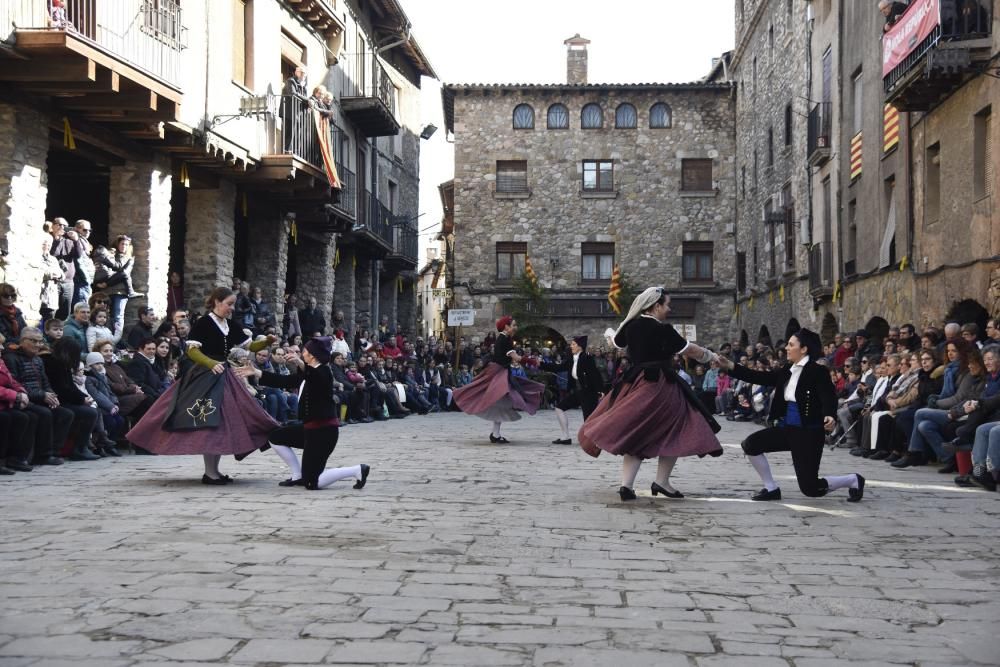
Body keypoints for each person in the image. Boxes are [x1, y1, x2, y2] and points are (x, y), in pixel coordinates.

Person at [579, 288, 723, 501]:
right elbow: (689, 350)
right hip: (660, 385)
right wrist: (711, 355)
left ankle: (626, 486)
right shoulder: (664, 330)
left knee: (638, 430)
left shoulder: (631, 326)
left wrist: (613, 330)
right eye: (667, 305)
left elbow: (616, 343)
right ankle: (661, 482)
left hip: (635, 382)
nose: (669, 308)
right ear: (656, 306)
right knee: (677, 428)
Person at [125, 287, 280, 484]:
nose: (231, 308)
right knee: (208, 422)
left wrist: (267, 341)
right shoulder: (204, 323)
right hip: (204, 376)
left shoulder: (231, 325)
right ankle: (210, 472)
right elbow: (191, 350)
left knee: (222, 423)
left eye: (233, 304)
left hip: (223, 375)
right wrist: (210, 363)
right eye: (229, 304)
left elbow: (250, 346)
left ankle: (214, 471)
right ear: (216, 301)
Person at [718, 329, 865, 502]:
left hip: (808, 433)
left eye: (791, 344)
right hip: (787, 429)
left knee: (811, 489)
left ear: (803, 349)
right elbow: (760, 377)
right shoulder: (788, 369)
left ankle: (853, 480)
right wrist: (731, 366)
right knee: (751, 444)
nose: (787, 348)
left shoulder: (818, 371)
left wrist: (830, 415)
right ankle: (771, 488)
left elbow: (828, 396)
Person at [237, 337, 370, 491]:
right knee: (275, 437)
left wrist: (299, 363)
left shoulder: (324, 371)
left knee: (312, 483)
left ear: (312, 355)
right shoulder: (307, 373)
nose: (302, 353)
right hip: (309, 429)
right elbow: (285, 381)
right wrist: (256, 372)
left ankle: (356, 470)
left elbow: (315, 377)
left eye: (305, 351)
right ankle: (297, 475)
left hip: (323, 433)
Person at [452, 316, 545, 444]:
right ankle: (495, 433)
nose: (516, 327)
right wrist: (533, 361)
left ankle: (496, 434)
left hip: (500, 372)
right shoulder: (504, 339)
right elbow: (516, 358)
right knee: (499, 401)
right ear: (506, 326)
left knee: (501, 402)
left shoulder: (505, 338)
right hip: (498, 373)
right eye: (514, 325)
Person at [540, 335, 603, 445]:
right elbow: (558, 368)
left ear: (580, 346)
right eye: (571, 344)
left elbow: (595, 375)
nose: (571, 346)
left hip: (588, 392)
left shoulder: (587, 358)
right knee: (559, 408)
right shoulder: (571, 359)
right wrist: (541, 365)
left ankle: (594, 441)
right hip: (577, 391)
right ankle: (565, 437)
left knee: (589, 418)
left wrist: (600, 390)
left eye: (573, 344)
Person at [93, 235, 140, 334]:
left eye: (126, 245)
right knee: (105, 315)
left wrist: (106, 283)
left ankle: (116, 337)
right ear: (117, 244)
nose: (124, 246)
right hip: (107, 291)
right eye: (122, 244)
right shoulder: (111, 254)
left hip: (120, 291)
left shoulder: (129, 258)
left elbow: (124, 273)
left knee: (118, 316)